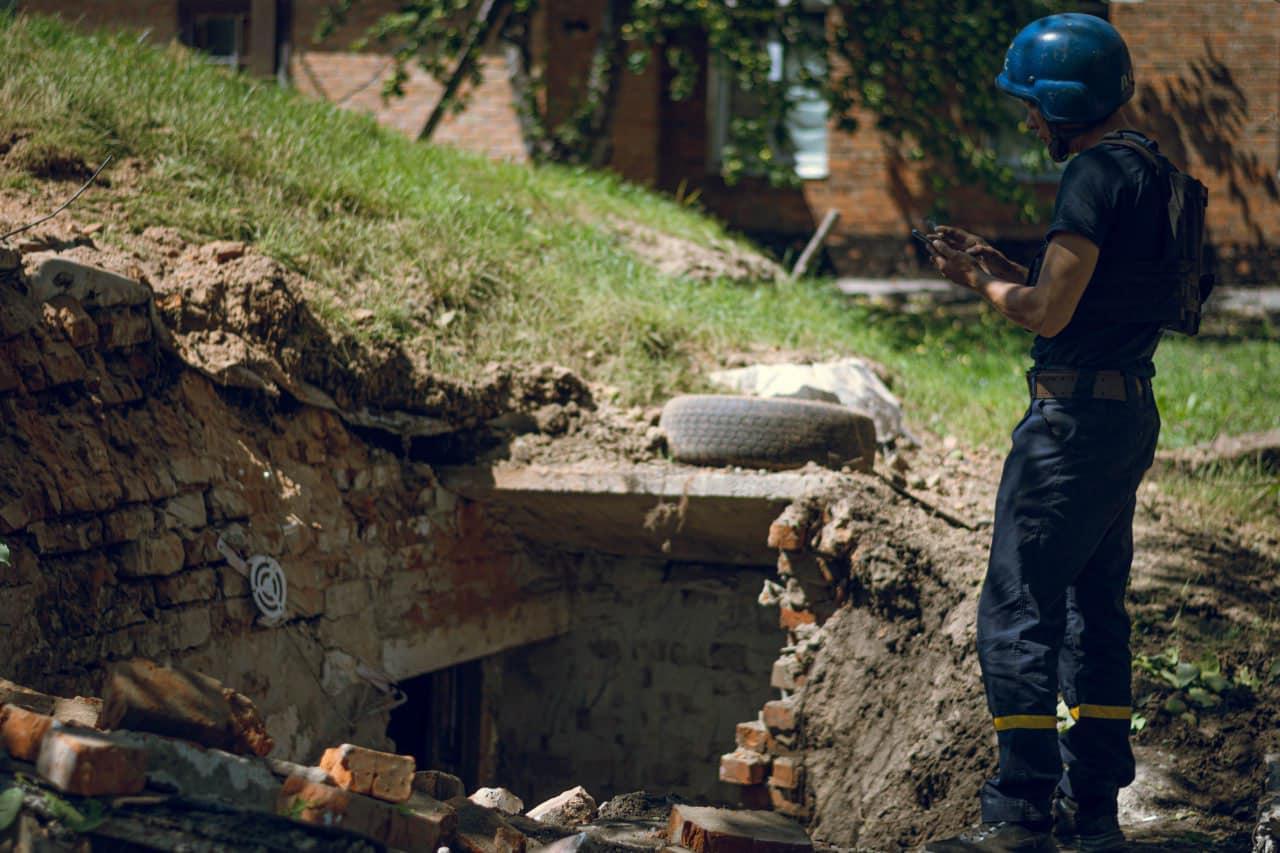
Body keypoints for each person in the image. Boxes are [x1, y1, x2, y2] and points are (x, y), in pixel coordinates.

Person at [921, 13, 1174, 853]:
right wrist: (1001, 264)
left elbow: (1046, 310)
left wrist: (977, 283)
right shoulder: (1147, 170)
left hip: (1069, 428)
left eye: (1032, 102)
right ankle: (1094, 812)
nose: (1027, 119)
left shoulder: (1091, 176)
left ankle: (1019, 814)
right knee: (1093, 612)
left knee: (1019, 608)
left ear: (1063, 101)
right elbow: (1092, 299)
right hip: (1125, 409)